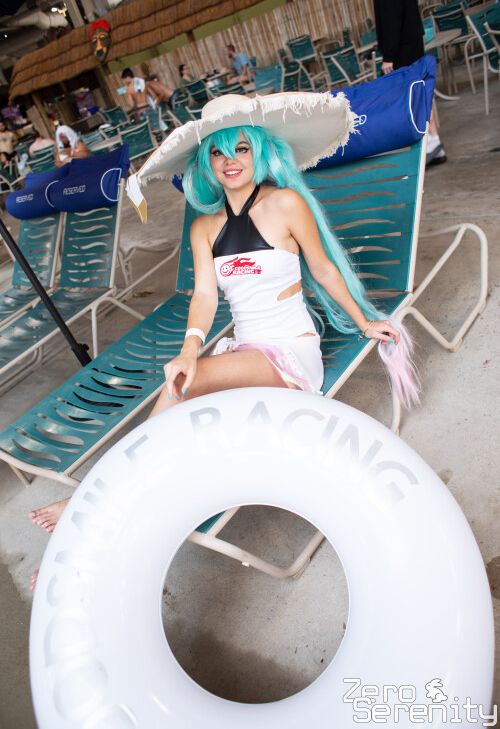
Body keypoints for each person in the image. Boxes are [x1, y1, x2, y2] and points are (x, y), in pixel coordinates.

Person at [29, 93, 419, 570]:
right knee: (179, 405)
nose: (230, 160)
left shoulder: (286, 204)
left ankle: (90, 499)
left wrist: (363, 320)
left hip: (289, 355)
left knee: (180, 388)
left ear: (260, 151)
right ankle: (116, 521)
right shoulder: (204, 228)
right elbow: (205, 298)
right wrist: (189, 349)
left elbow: (323, 268)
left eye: (241, 148)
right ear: (205, 163)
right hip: (245, 352)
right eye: (217, 152)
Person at [372, 0, 446, 166]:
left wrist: (388, 54)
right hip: (410, 38)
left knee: (411, 94)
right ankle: (433, 141)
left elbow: (391, 13)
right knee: (420, 89)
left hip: (402, 45)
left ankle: (428, 141)